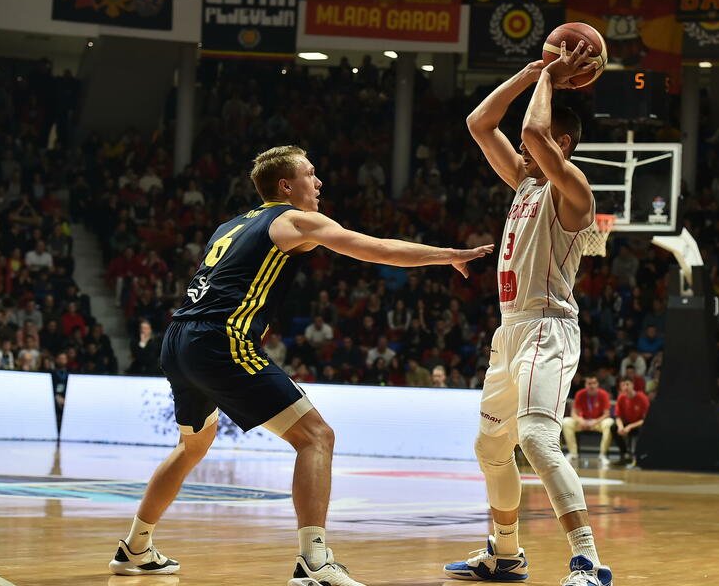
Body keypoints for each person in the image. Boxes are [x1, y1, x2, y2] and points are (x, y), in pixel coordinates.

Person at [109, 146, 491, 585]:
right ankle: (314, 561)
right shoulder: (293, 220)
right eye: (310, 174)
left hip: (178, 339)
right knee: (316, 437)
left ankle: (135, 546)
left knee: (192, 446)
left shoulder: (229, 225)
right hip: (218, 340)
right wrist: (448, 254)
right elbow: (378, 249)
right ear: (286, 186)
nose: (319, 182)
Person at [444, 44, 614, 586]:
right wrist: (532, 72)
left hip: (548, 327)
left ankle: (588, 562)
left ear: (562, 145)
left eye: (531, 145)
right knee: (490, 447)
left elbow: (534, 133)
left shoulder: (575, 189)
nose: (520, 149)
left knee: (538, 439)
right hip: (510, 330)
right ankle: (505, 554)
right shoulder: (525, 183)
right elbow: (479, 123)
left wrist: (553, 82)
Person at [562, 375, 614, 466]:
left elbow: (606, 414)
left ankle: (602, 455)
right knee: (566, 421)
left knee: (609, 423)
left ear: (597, 384)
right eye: (589, 383)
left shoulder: (603, 394)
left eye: (594, 383)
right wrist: (580, 421)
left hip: (597, 423)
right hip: (583, 422)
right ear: (585, 385)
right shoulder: (580, 394)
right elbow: (574, 413)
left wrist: (595, 422)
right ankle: (573, 454)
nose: (592, 386)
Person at [611, 376, 648, 466]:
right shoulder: (621, 397)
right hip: (626, 423)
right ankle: (624, 455)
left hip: (638, 425)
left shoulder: (642, 397)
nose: (625, 387)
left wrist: (630, 427)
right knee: (613, 428)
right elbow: (618, 416)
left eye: (627, 384)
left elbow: (645, 419)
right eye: (623, 385)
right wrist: (620, 427)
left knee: (644, 430)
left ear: (632, 385)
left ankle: (638, 457)